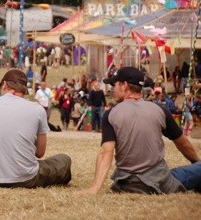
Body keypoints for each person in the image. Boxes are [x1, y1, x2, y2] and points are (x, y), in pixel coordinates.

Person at [76, 66, 201, 195]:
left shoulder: (111, 114)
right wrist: (196, 163)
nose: (113, 89)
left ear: (124, 86)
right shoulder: (159, 110)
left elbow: (106, 151)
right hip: (160, 181)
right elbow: (182, 142)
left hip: (127, 182)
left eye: (115, 85)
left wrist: (95, 188)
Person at [0, 69, 72, 188]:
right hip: (26, 178)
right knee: (64, 160)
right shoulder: (37, 109)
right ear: (24, 89)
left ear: (4, 85)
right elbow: (40, 153)